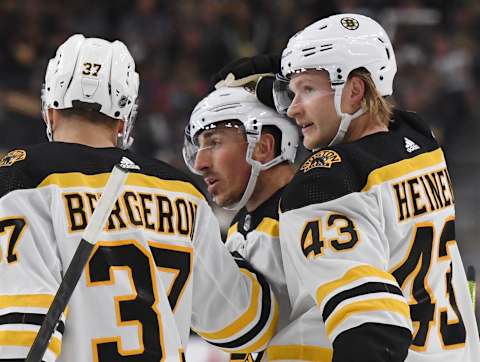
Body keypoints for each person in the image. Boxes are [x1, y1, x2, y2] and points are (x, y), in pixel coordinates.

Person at [0, 34, 278, 361]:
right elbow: (245, 321)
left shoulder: (23, 177)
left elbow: (20, 332)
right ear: (123, 119)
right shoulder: (182, 190)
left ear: (51, 109)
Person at [267, 13, 480, 361]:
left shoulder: (326, 180)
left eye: (306, 89)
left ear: (354, 90)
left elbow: (370, 331)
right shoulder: (419, 140)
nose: (292, 109)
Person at [183, 64, 299, 362]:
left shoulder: (306, 217)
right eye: (198, 146)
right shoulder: (241, 225)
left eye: (214, 142)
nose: (200, 163)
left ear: (263, 146)